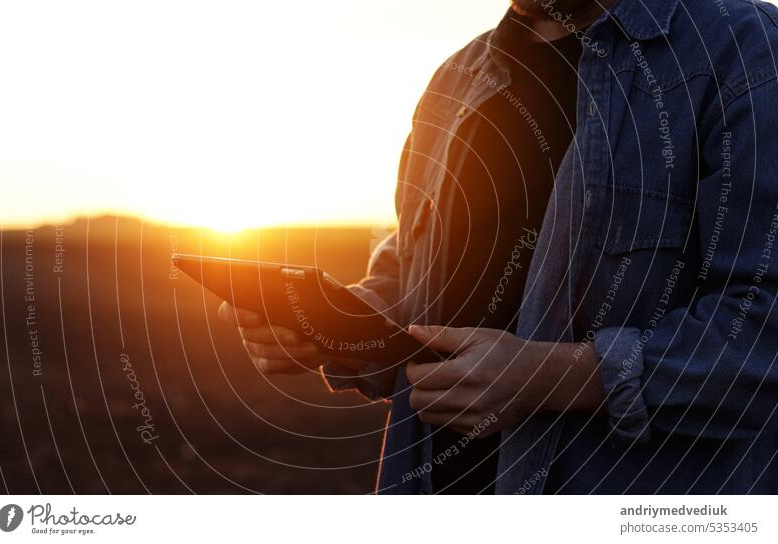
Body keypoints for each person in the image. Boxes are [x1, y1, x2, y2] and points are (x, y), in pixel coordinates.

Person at [220, 0, 778, 494]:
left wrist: (558, 377)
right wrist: (332, 327)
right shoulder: (455, 80)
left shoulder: (744, 53)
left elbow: (762, 325)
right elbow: (411, 277)